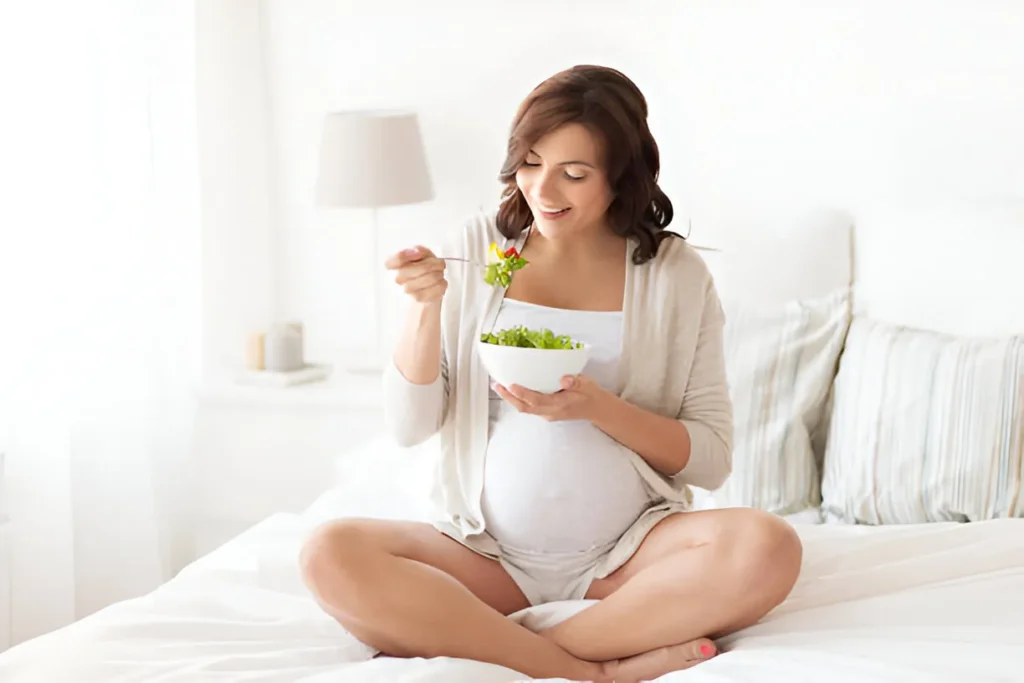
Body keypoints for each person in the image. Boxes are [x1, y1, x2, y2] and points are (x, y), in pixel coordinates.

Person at [299, 64, 803, 682]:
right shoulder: (483, 248)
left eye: (574, 173)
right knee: (329, 552)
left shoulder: (673, 274)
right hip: (483, 556)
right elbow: (410, 427)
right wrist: (425, 308)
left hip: (626, 562)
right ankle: (594, 670)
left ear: (621, 177)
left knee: (768, 547)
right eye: (531, 163)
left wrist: (598, 408)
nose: (543, 190)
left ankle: (505, 644)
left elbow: (711, 459)